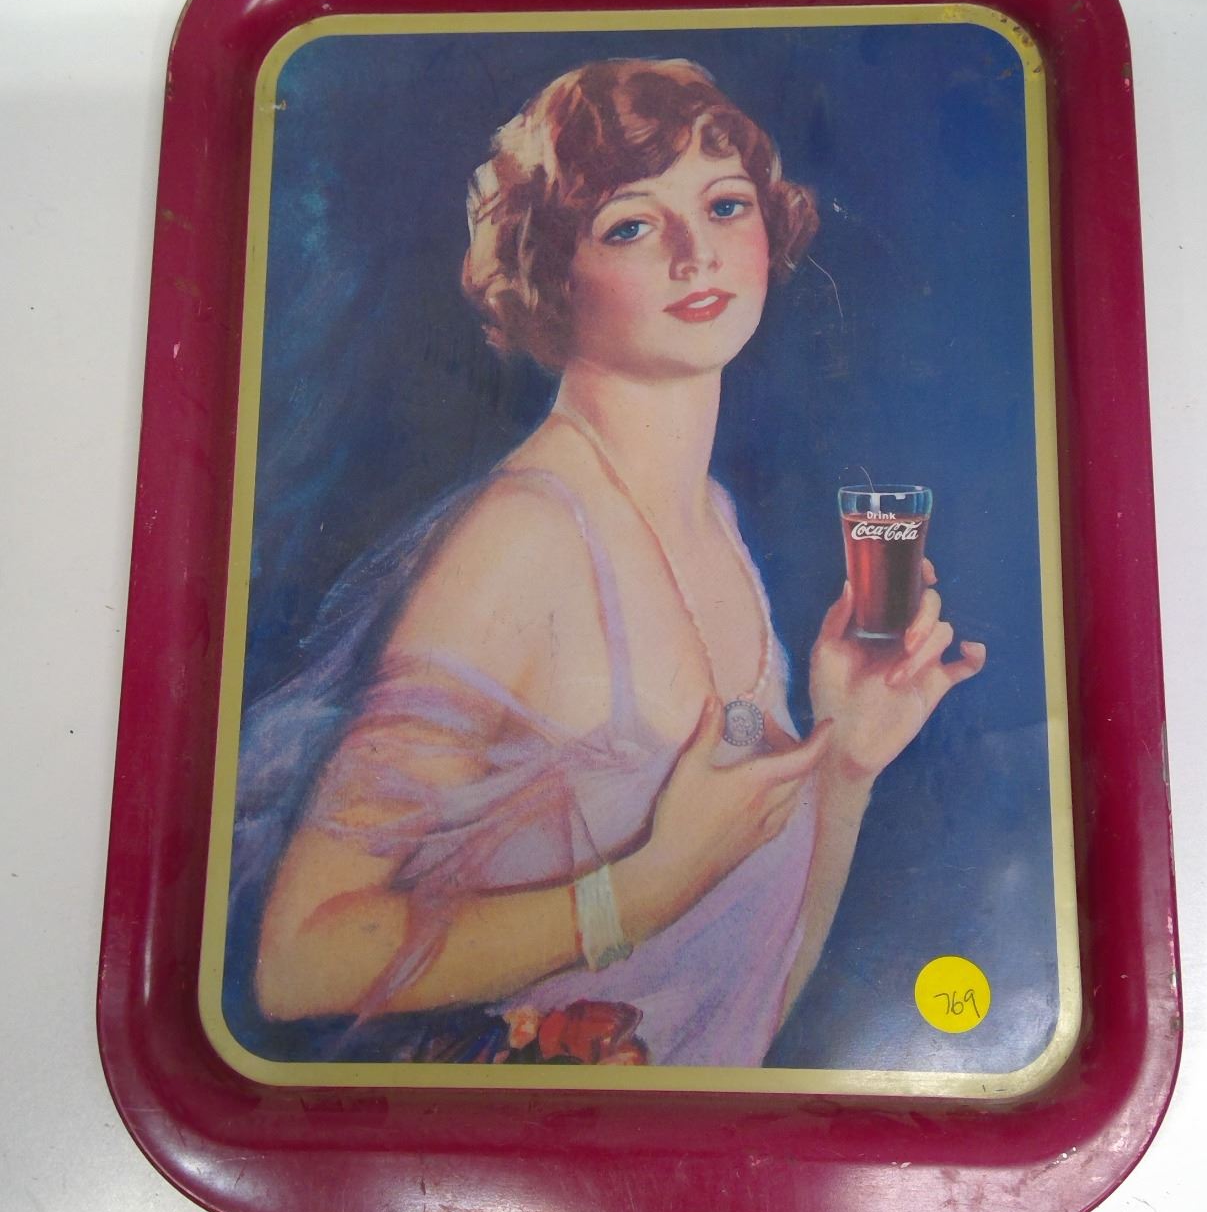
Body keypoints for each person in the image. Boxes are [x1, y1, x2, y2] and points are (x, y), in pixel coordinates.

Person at [239, 57, 985, 1068]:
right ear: (551, 270)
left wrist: (846, 763)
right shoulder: (524, 541)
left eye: (725, 206)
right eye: (631, 225)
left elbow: (741, 1012)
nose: (696, 253)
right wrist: (635, 893)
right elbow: (294, 963)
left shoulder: (716, 523)